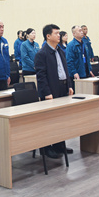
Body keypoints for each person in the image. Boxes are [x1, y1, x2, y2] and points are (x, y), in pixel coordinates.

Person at [34, 24, 74, 157]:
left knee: (60, 119)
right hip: (50, 90)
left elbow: (65, 70)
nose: (59, 35)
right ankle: (46, 148)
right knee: (48, 120)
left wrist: (69, 85)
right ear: (48, 36)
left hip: (62, 87)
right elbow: (41, 76)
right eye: (56, 33)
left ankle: (59, 145)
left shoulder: (60, 51)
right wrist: (47, 93)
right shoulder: (42, 53)